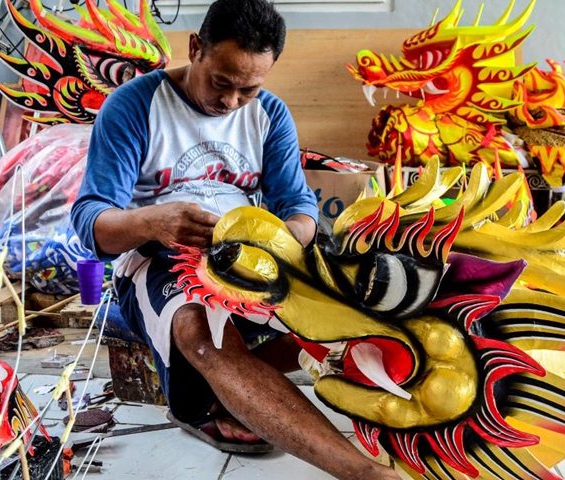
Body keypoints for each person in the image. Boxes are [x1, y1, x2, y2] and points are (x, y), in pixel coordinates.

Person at [70, 1, 400, 479]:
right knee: (203, 332)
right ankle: (364, 473)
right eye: (221, 82)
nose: (230, 102)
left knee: (359, 307)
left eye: (249, 88)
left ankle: (213, 393)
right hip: (159, 257)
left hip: (251, 256)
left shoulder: (268, 114)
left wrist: (282, 240)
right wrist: (154, 222)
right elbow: (90, 219)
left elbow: (300, 206)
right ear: (195, 48)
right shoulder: (135, 105)